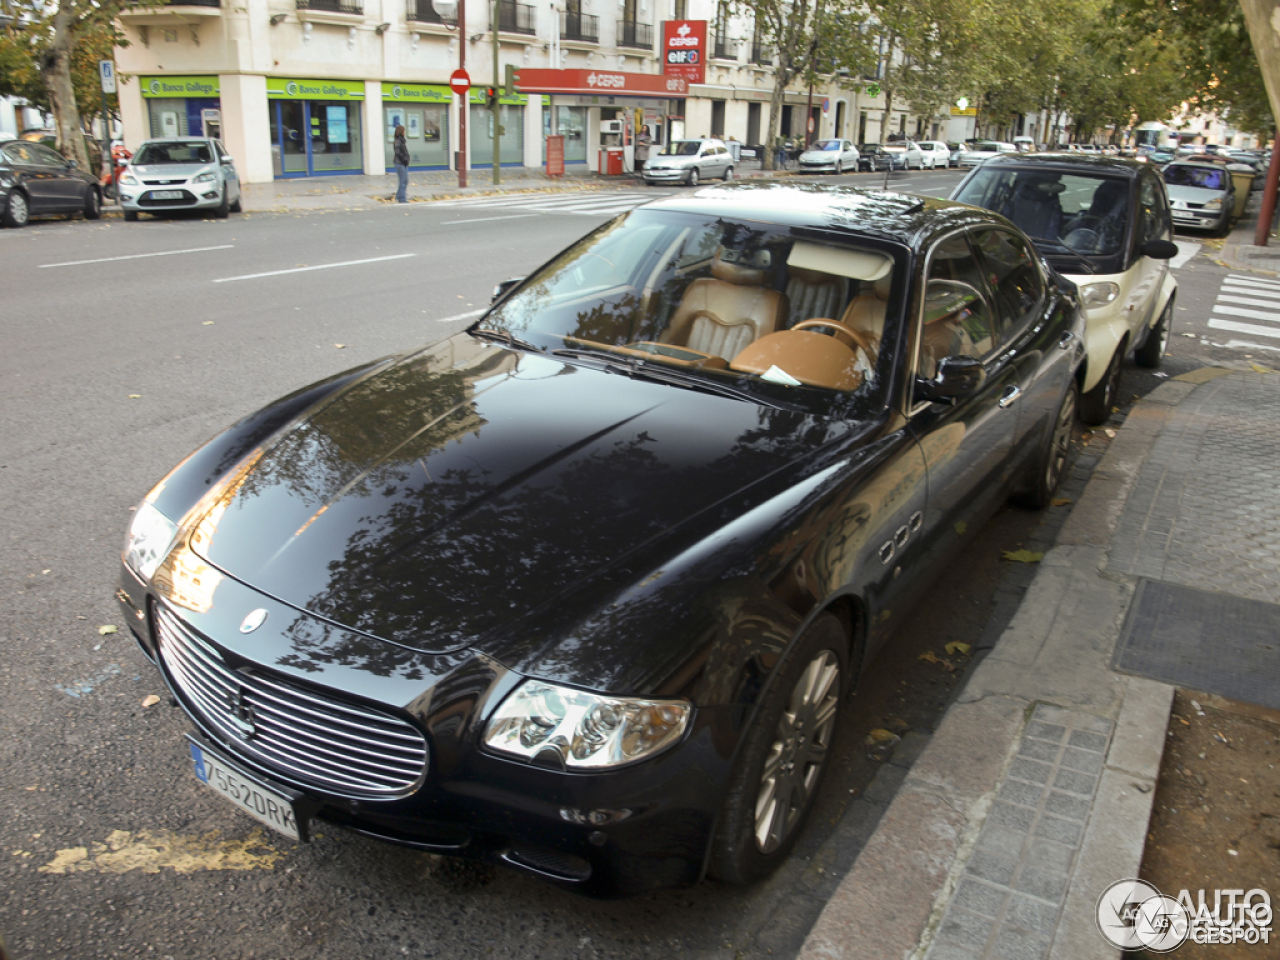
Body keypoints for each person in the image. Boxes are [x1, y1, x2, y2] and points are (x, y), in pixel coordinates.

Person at [393, 124, 409, 203]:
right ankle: (402, 198)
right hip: (400, 163)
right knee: (403, 181)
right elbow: (398, 152)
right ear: (401, 131)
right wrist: (404, 159)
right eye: (404, 130)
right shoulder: (398, 141)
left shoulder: (401, 140)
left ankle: (399, 196)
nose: (405, 132)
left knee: (405, 180)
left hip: (403, 163)